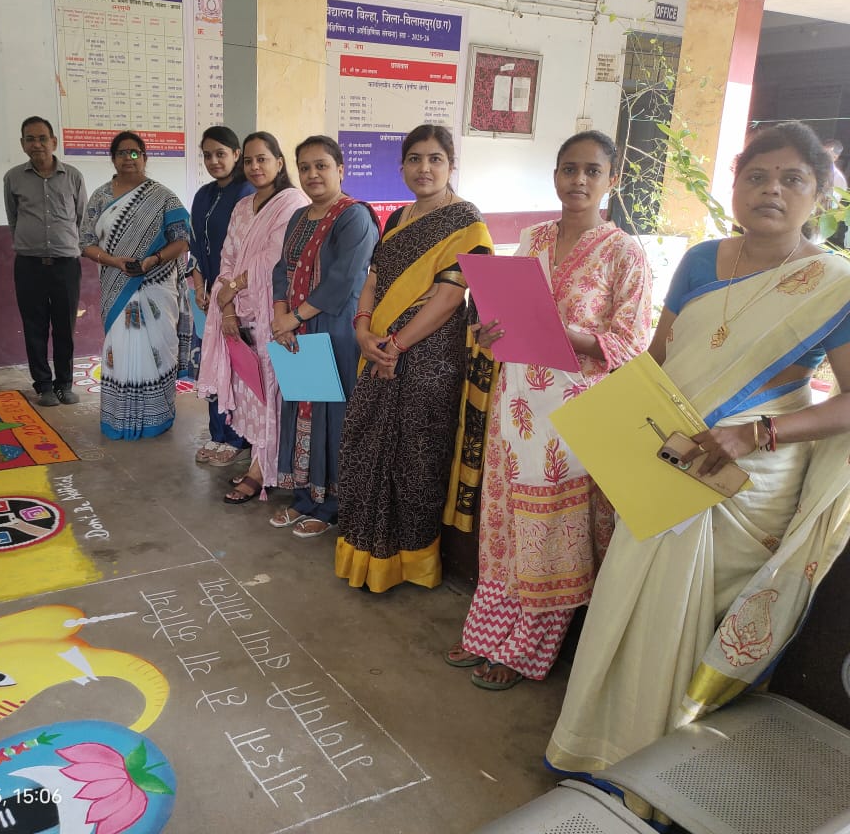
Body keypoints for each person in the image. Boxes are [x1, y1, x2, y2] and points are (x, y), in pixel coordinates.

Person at [546, 122, 850, 809]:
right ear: (736, 186)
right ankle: (600, 745)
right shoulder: (699, 261)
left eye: (792, 179)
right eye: (757, 176)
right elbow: (657, 361)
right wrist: (616, 437)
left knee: (697, 623)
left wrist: (760, 433)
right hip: (667, 461)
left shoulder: (832, 285)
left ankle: (670, 775)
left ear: (820, 196)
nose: (771, 189)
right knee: (633, 598)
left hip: (749, 482)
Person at [446, 131, 653, 691]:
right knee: (507, 522)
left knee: (552, 530)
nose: (578, 181)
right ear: (555, 175)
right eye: (568, 169)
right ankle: (489, 630)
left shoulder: (624, 252)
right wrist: (489, 330)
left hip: (572, 418)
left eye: (591, 170)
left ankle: (526, 649)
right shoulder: (534, 237)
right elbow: (506, 314)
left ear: (613, 179)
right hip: (515, 408)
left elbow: (632, 345)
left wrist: (566, 335)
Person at [335, 124, 492, 592]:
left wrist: (396, 346)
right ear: (402, 166)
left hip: (430, 358)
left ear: (450, 165)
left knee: (416, 457)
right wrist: (363, 329)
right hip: (378, 348)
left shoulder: (467, 222)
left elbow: (449, 297)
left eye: (435, 159)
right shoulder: (397, 218)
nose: (425, 168)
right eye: (415, 159)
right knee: (366, 447)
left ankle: (411, 562)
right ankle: (365, 554)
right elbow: (373, 278)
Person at [268, 136, 379, 538]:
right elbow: (282, 269)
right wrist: (282, 315)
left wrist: (294, 316)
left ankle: (332, 504)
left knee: (333, 416)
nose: (313, 175)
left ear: (340, 170)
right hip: (297, 329)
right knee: (300, 409)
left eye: (322, 166)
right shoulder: (299, 217)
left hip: (333, 331)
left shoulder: (354, 217)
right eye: (305, 167)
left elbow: (344, 281)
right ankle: (304, 496)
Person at [197, 132, 309, 503]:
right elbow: (227, 257)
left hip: (271, 312)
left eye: (263, 159)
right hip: (240, 313)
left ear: (279, 162)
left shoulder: (292, 202)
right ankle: (262, 462)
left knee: (271, 394)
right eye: (249, 161)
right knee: (251, 391)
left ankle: (262, 470)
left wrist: (233, 287)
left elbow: (274, 259)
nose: (255, 167)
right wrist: (227, 306)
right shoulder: (244, 206)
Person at [80, 131, 191, 440]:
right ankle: (118, 419)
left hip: (156, 287)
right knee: (120, 349)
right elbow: (85, 243)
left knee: (155, 350)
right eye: (122, 153)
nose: (128, 159)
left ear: (145, 157)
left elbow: (181, 240)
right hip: (117, 288)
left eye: (134, 153)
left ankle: (157, 416)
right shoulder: (101, 197)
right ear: (113, 159)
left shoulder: (164, 197)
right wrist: (115, 261)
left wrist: (152, 260)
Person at [3, 116, 88, 407]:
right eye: (30, 138)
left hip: (66, 264)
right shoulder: (13, 178)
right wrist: (29, 244)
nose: (36, 144)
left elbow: (82, 219)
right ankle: (43, 386)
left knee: (65, 326)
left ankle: (64, 384)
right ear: (22, 144)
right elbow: (13, 220)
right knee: (34, 327)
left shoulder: (73, 176)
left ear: (54, 141)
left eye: (42, 138)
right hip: (28, 266)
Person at [189, 127, 256, 467]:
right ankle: (217, 433)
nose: (214, 161)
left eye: (221, 153)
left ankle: (236, 436)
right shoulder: (203, 195)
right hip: (210, 296)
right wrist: (200, 287)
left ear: (235, 154)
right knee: (214, 364)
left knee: (238, 367)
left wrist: (227, 294)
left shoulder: (248, 195)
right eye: (207, 155)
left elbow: (247, 253)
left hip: (238, 297)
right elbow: (196, 248)